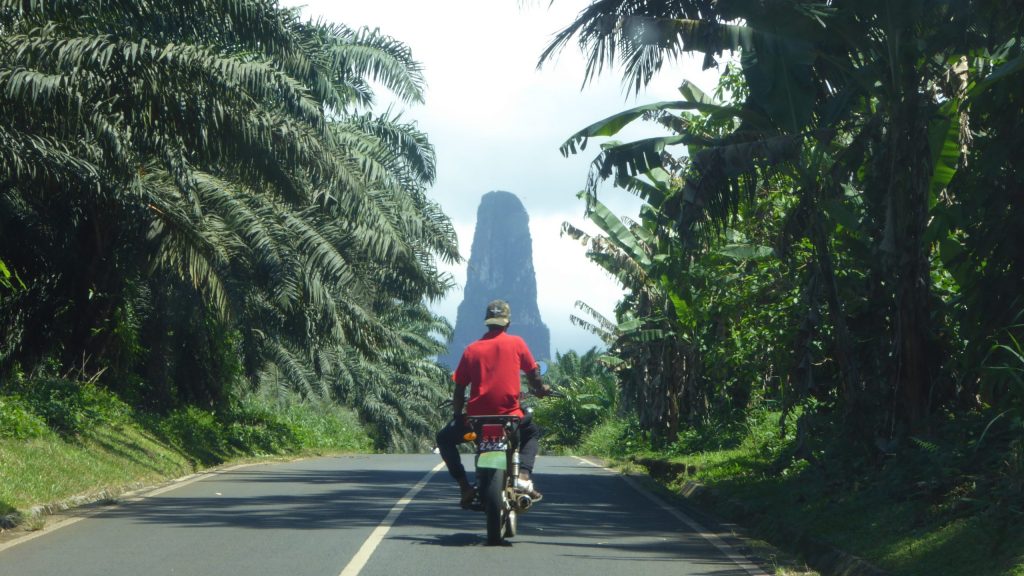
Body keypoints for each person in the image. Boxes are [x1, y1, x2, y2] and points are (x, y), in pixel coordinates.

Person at [436, 299, 551, 508]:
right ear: (507, 323)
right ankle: (523, 476)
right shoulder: (517, 343)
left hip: (476, 421)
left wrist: (457, 415)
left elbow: (459, 388)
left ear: (487, 323)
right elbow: (533, 373)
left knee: (444, 438)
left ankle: (464, 487)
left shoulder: (471, 350)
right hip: (510, 417)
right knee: (531, 431)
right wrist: (540, 389)